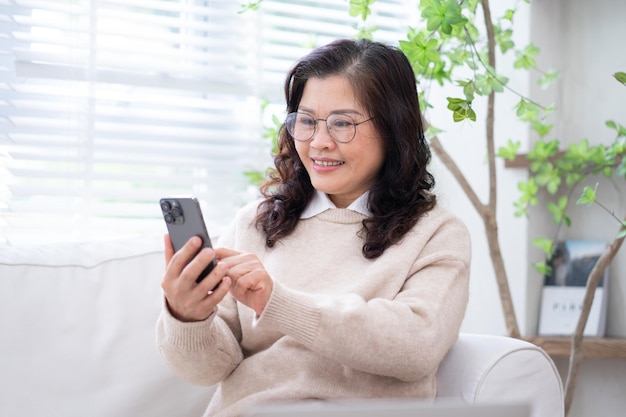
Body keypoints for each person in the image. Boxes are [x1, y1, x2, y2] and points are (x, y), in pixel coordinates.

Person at [157, 38, 471, 417]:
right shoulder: (255, 223)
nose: (319, 143)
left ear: (394, 128)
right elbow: (208, 370)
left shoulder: (437, 233)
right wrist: (187, 315)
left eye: (342, 124)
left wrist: (276, 302)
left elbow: (416, 346)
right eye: (306, 122)